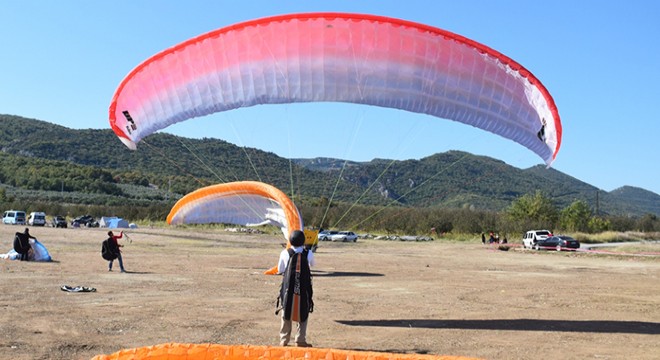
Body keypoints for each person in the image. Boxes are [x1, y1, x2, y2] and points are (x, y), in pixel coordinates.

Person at [277, 230, 315, 347]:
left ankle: (284, 339)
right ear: (303, 241)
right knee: (304, 309)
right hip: (304, 287)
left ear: (290, 240)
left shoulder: (285, 253)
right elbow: (313, 265)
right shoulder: (308, 253)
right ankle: (300, 339)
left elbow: (280, 269)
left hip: (288, 287)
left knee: (286, 309)